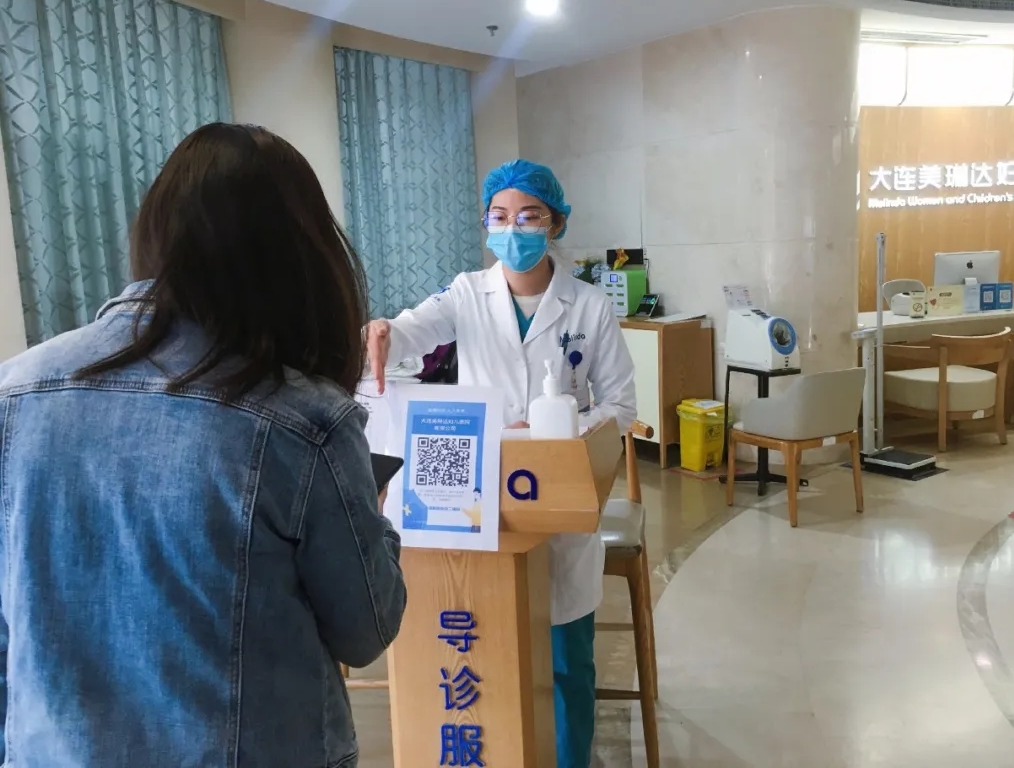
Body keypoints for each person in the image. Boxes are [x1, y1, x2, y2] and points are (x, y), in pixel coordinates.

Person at [0, 123, 406, 768]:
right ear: (298, 256)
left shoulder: (14, 393)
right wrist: (374, 520)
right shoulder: (303, 421)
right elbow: (365, 630)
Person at [366, 159, 636, 767]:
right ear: (486, 223)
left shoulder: (589, 306)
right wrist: (382, 330)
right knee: (487, 647)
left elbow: (620, 407)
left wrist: (552, 426)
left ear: (555, 223)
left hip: (557, 494)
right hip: (482, 496)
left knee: (565, 657)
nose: (513, 228)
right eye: (500, 216)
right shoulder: (466, 293)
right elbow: (412, 331)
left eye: (529, 216)